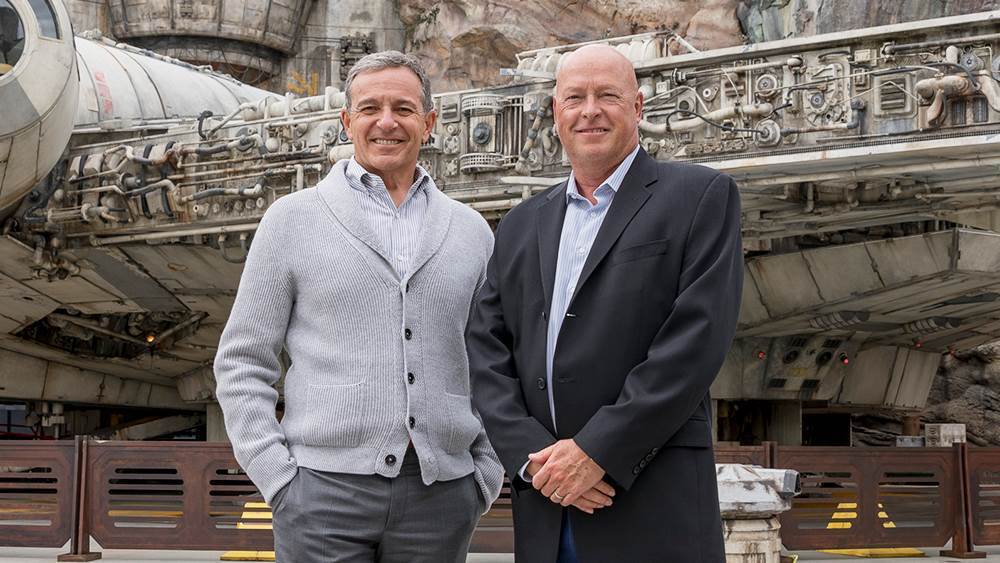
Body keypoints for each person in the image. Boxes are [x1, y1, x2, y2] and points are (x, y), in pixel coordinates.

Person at [215, 50, 504, 563]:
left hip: (441, 496)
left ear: (429, 123)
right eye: (370, 108)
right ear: (347, 121)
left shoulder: (471, 232)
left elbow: (492, 360)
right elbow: (242, 360)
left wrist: (485, 473)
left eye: (404, 108)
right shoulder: (291, 220)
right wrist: (278, 480)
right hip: (320, 494)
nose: (386, 122)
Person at [468, 44, 743, 562]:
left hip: (649, 501)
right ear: (556, 112)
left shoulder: (701, 197)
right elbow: (486, 350)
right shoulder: (521, 223)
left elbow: (695, 341)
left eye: (607, 96)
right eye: (575, 98)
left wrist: (597, 451)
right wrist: (535, 459)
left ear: (637, 107)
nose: (589, 110)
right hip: (548, 503)